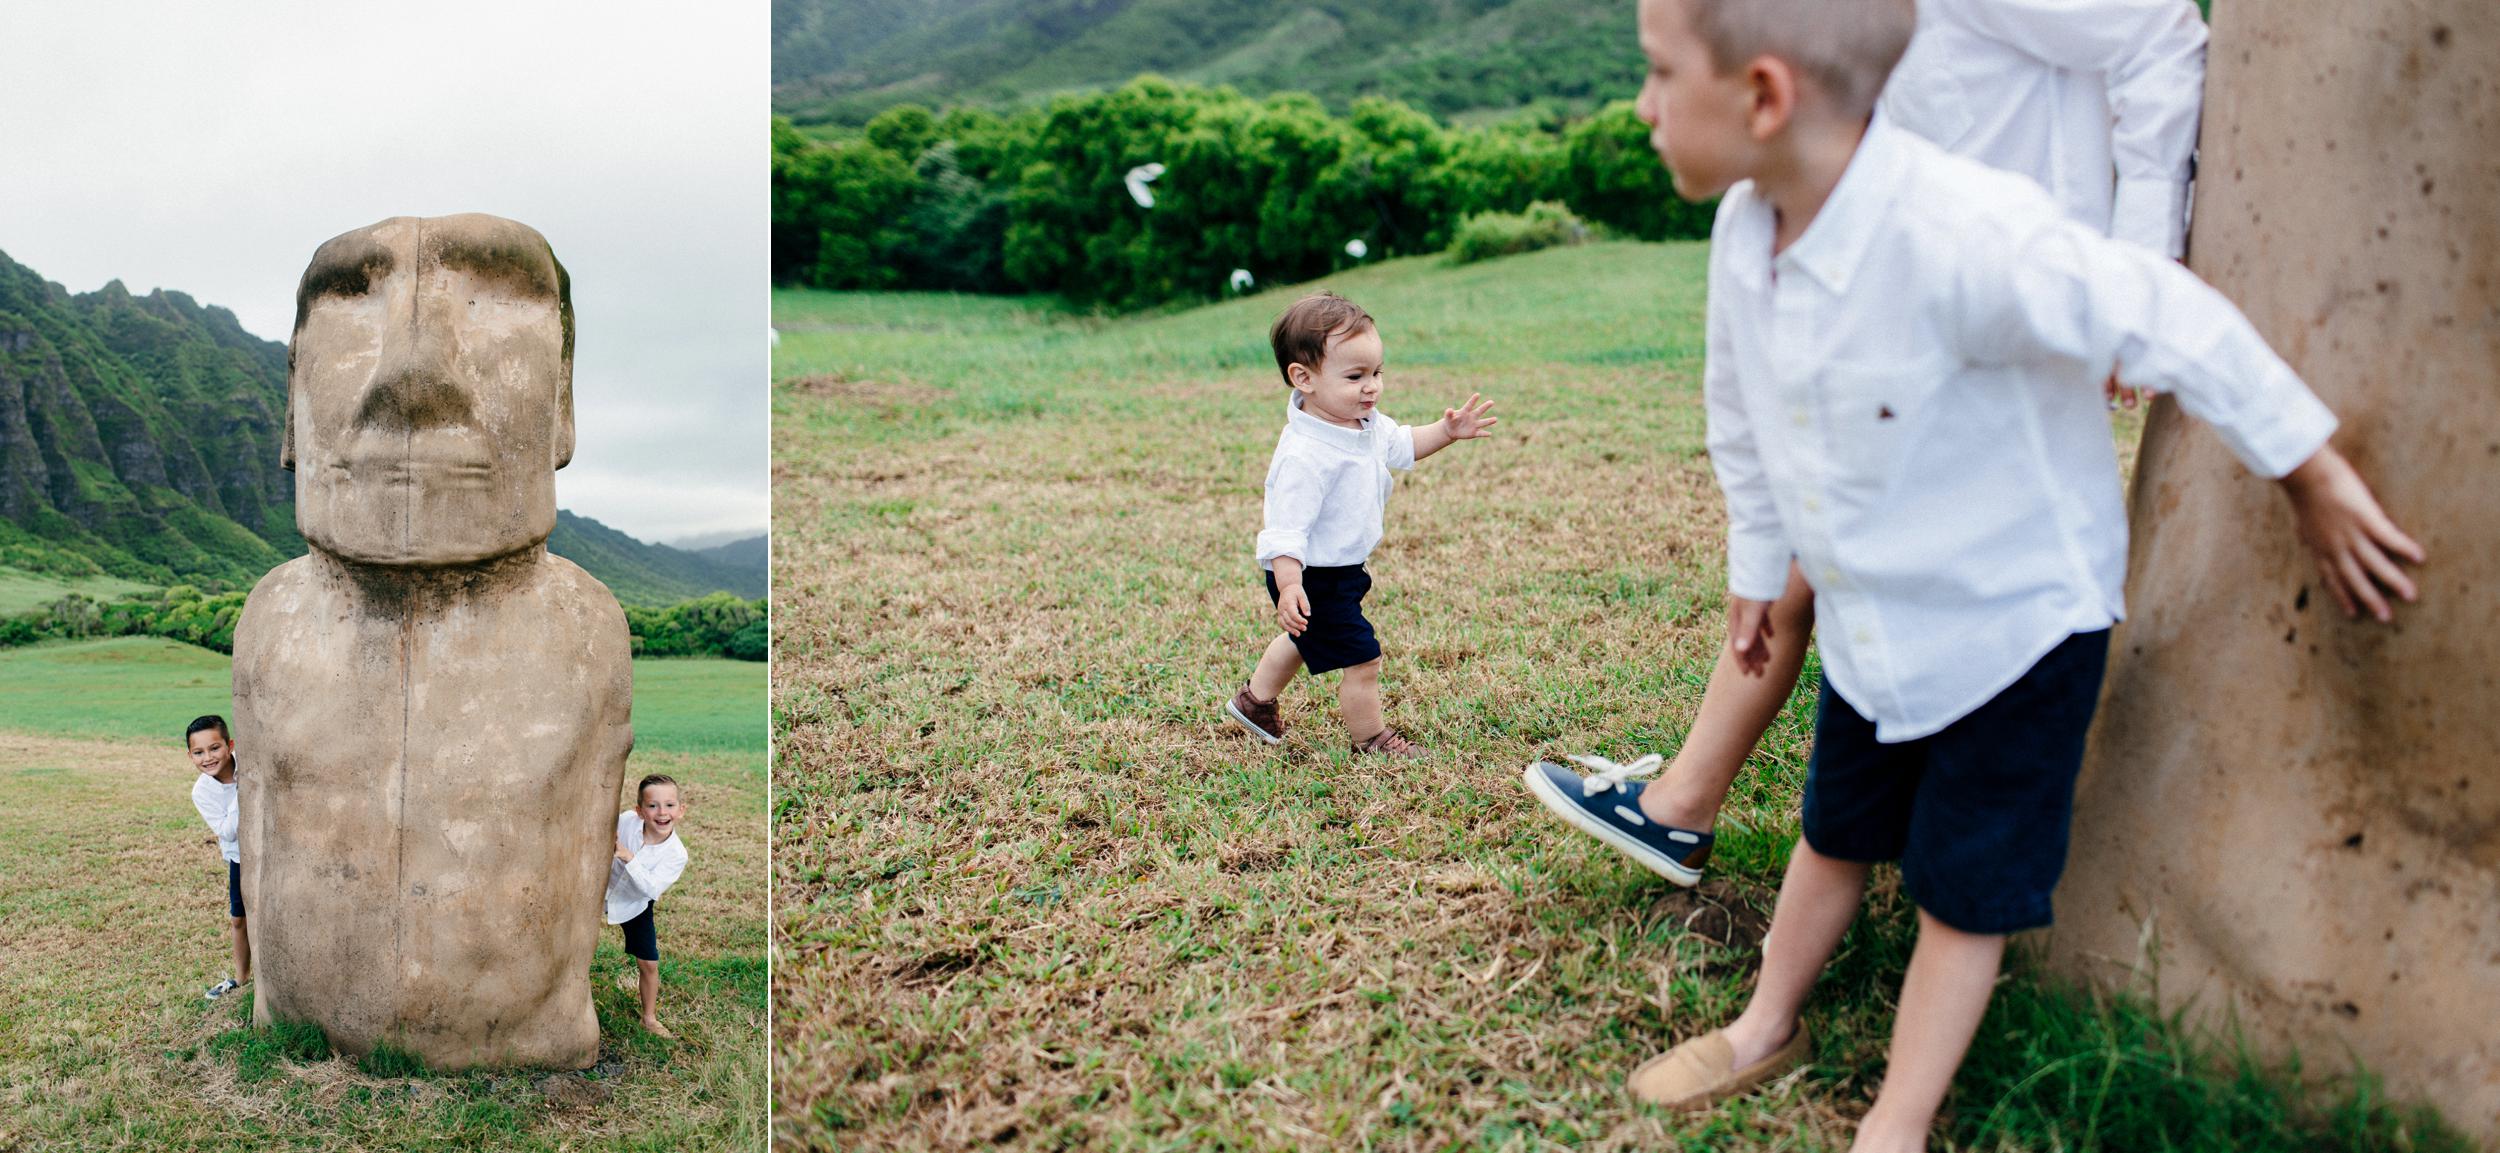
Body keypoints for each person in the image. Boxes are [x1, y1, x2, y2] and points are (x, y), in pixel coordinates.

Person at [1596, 0, 2423, 1144]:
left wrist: (2309, 472)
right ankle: (1762, 1023)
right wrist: (1754, 565)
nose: (1639, 107)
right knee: (1833, 829)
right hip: (1876, 618)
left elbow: (2169, 313)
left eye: (1655, 75)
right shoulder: (1748, 233)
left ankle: (1899, 1111)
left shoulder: (1966, 234)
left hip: (2016, 627)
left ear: (1764, 96)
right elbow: (1740, 415)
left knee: (1964, 890)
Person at [1525, 0, 2211, 886]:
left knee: (1864, 554)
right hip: (1897, 306)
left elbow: (2156, 34)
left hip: (1998, 307)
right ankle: (1709, 811)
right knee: (1824, 542)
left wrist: (2138, 261)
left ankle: (1712, 813)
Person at [1222, 291, 1498, 758]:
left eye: (1377, 373)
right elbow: (1284, 529)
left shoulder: (1363, 423)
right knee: (1362, 657)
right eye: (1355, 376)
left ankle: (1254, 702)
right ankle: (1371, 739)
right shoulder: (1305, 454)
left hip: (1344, 567)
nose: (1371, 386)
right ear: (1303, 378)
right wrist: (1289, 585)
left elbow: (1404, 444)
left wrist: (1447, 432)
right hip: (1310, 575)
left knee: (1305, 639)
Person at [607, 773, 689, 1039]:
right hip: (600, 887)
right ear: (639, 811)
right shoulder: (627, 821)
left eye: (669, 805)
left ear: (680, 810)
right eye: (653, 806)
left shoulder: (676, 854)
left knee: (649, 962)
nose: (661, 812)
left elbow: (651, 889)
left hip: (634, 904)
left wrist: (629, 858)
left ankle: (649, 1018)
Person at [186, 715, 250, 1001]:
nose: (207, 758)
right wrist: (243, 790)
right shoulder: (202, 791)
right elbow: (228, 832)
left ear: (229, 745)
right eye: (198, 752)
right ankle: (240, 977)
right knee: (238, 918)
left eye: (214, 748)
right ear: (190, 756)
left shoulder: (249, 764)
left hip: (269, 852)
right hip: (239, 857)